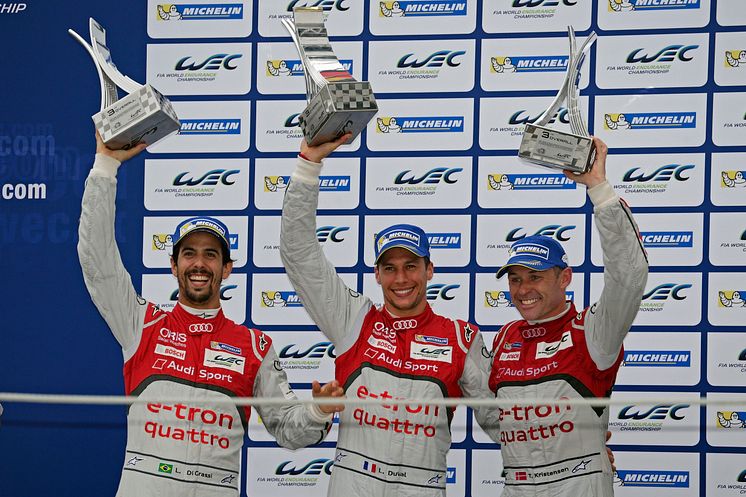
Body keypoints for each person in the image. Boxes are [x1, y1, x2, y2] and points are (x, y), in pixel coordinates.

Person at [78, 133, 343, 497]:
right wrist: (105, 166)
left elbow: (288, 429)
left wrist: (318, 410)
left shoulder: (254, 346)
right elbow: (98, 261)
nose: (199, 264)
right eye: (189, 253)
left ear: (227, 268)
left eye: (210, 254)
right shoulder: (143, 324)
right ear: (173, 265)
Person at [280, 135, 493, 497]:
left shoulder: (461, 338)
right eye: (389, 268)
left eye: (411, 266)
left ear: (430, 270)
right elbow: (299, 253)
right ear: (377, 274)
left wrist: (579, 451)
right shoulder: (354, 320)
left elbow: (505, 422)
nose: (401, 279)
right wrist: (309, 163)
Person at [485, 137, 648, 496]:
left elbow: (629, 276)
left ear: (565, 277)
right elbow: (494, 416)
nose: (523, 289)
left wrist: (599, 189)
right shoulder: (503, 338)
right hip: (517, 486)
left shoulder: (592, 330)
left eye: (536, 276)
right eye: (515, 278)